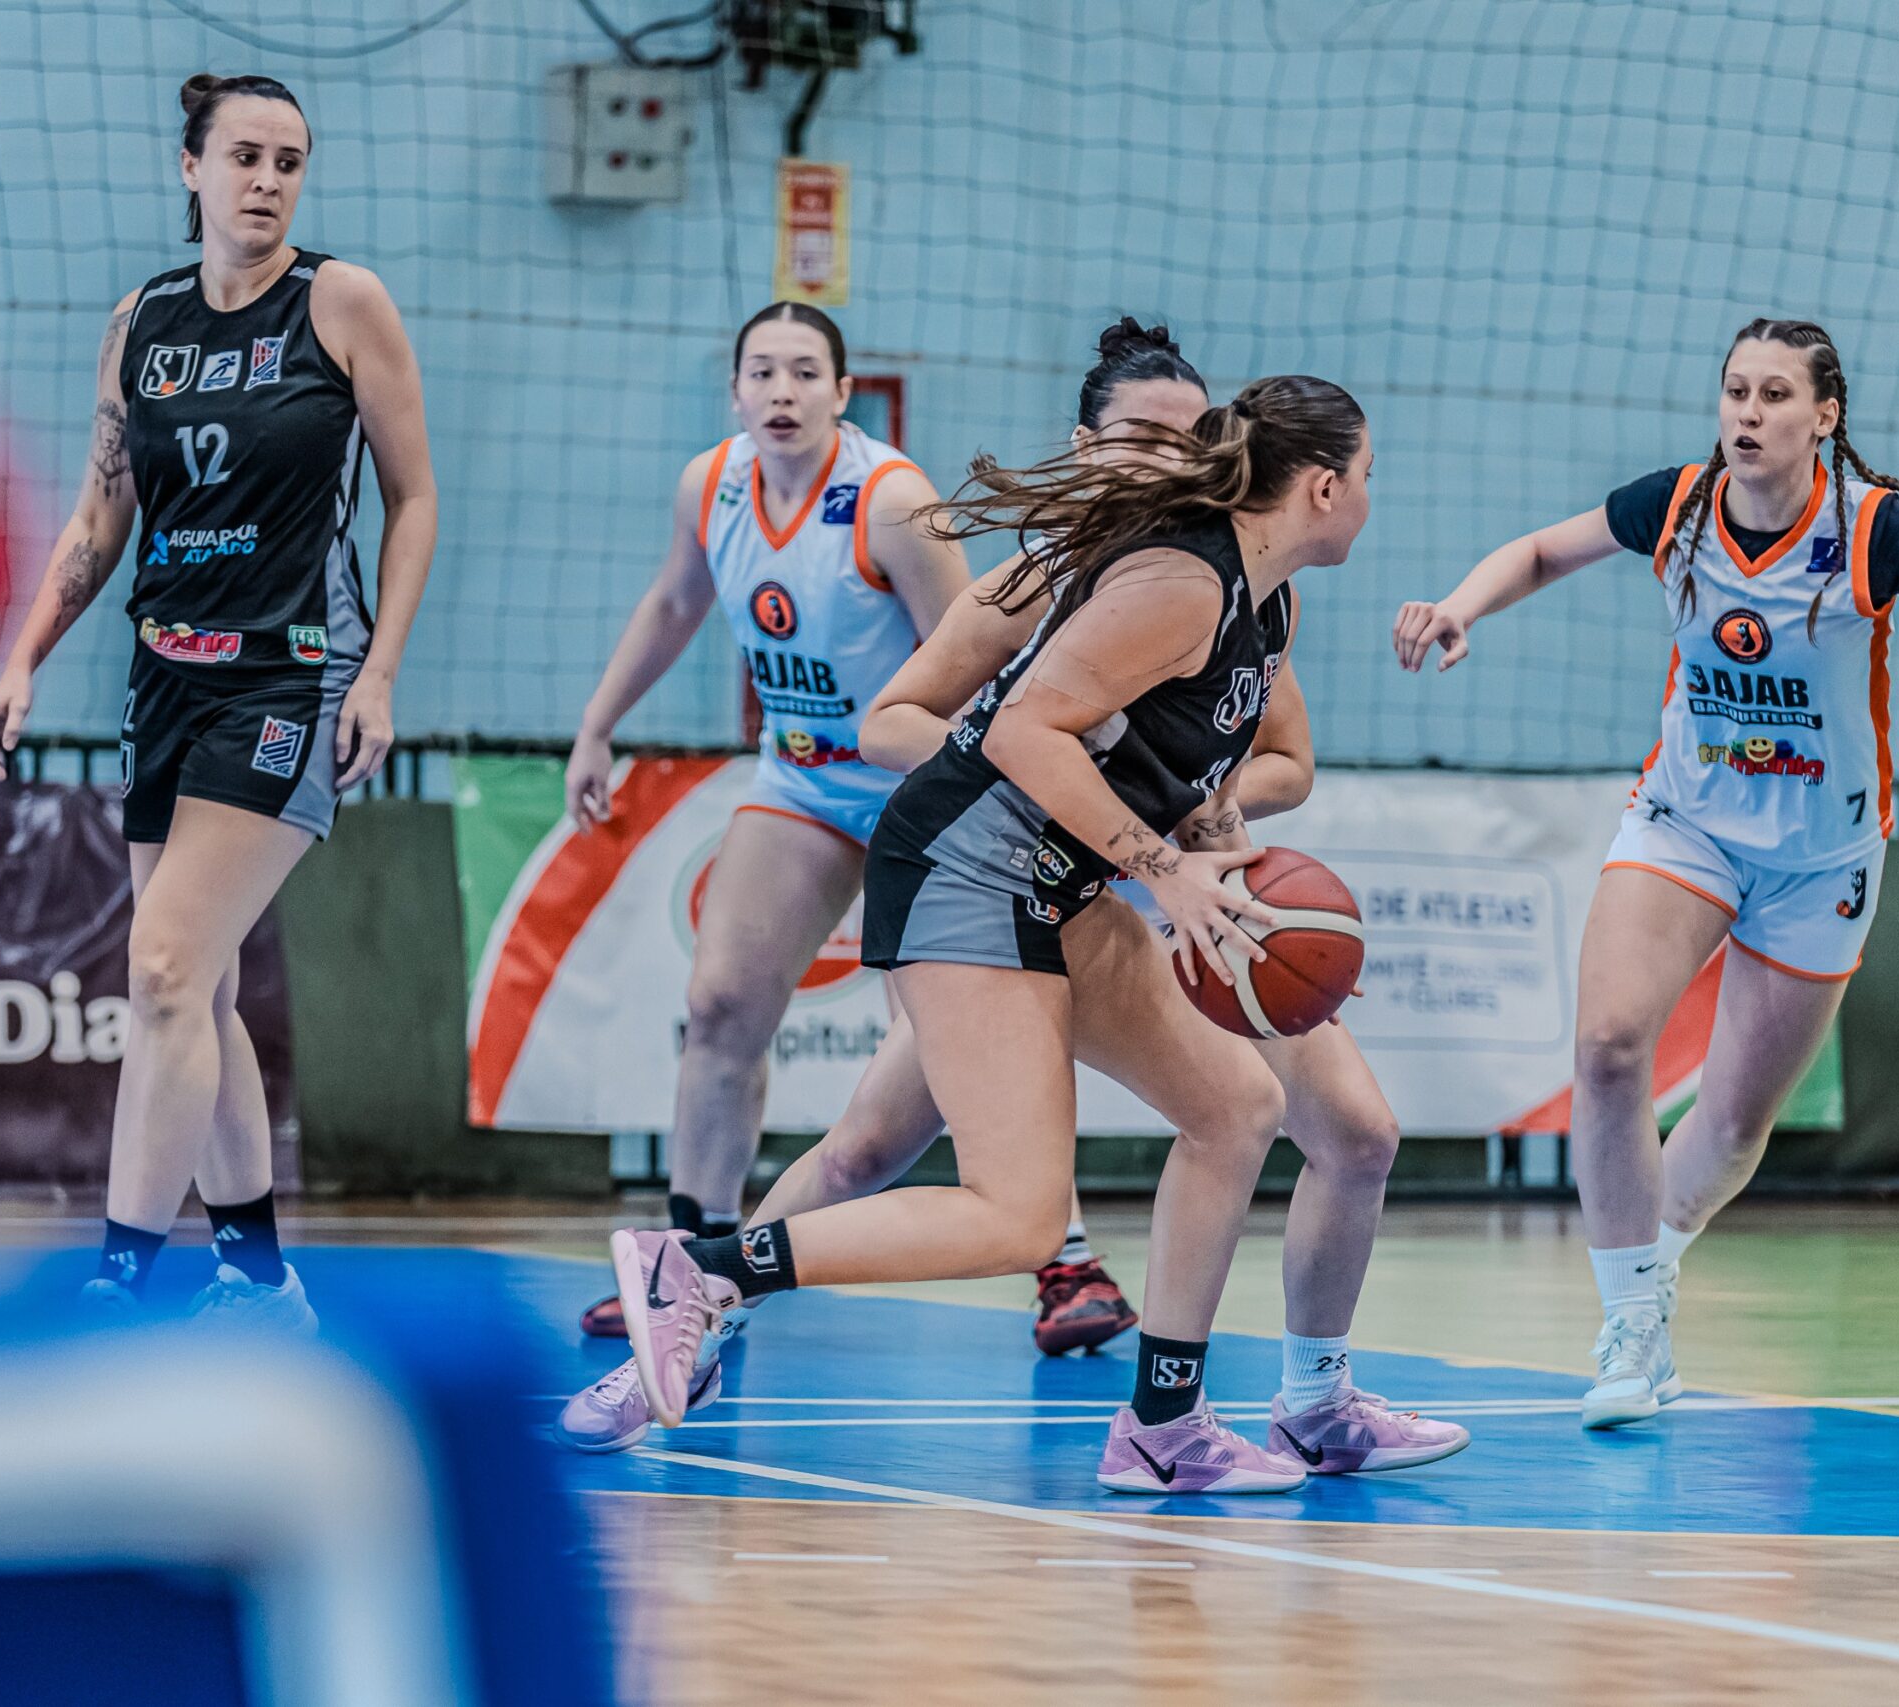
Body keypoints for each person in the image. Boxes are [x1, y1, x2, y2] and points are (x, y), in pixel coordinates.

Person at [560, 327, 1465, 1481]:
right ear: (1325, 485)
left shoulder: (1251, 596)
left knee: (1232, 1107)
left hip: (1058, 878)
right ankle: (703, 1269)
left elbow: (1233, 762)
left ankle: (1164, 1427)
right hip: (972, 869)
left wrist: (1209, 837)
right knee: (1017, 1219)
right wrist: (1163, 864)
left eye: (1185, 437)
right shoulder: (1168, 580)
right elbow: (1016, 728)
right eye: (1371, 480)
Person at [1396, 317, 1899, 1428]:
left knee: (1738, 1122)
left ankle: (1655, 1268)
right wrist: (1460, 604)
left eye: (1772, 395)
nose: (1745, 413)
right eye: (1732, 391)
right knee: (1609, 1046)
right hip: (1685, 824)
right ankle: (1627, 1326)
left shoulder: (1878, 536)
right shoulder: (1677, 504)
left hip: (1822, 856)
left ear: (1823, 417)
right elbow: (1540, 552)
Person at [0, 73, 436, 1324]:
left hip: (289, 672)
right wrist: (17, 659)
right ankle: (259, 1277)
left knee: (166, 965)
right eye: (244, 156)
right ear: (191, 169)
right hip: (163, 674)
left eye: (290, 160)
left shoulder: (342, 303)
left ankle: (119, 1279)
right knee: (205, 987)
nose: (268, 180)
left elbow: (416, 499)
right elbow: (97, 516)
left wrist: (379, 670)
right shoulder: (142, 322)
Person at [559, 303, 975, 1339]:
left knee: (940, 1051)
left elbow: (973, 664)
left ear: (843, 392)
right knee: (721, 1005)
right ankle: (686, 1261)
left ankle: (1067, 1263)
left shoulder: (894, 504)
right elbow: (671, 604)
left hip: (917, 789)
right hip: (800, 783)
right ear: (735, 390)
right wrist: (597, 726)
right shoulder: (711, 484)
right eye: (761, 373)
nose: (780, 392)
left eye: (803, 373)